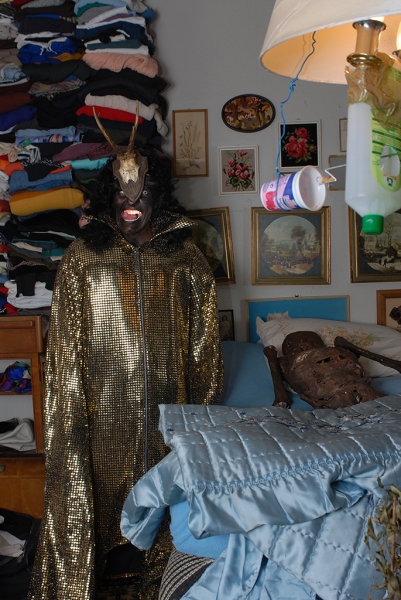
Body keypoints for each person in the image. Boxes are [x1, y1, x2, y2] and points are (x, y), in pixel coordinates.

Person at [27, 143, 223, 600]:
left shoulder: (185, 257)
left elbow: (205, 350)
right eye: (121, 192)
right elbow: (64, 350)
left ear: (159, 196)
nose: (131, 202)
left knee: (164, 520)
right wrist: (69, 423)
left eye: (142, 192)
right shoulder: (82, 257)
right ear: (108, 196)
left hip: (166, 423)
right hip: (100, 424)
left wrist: (200, 424)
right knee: (98, 517)